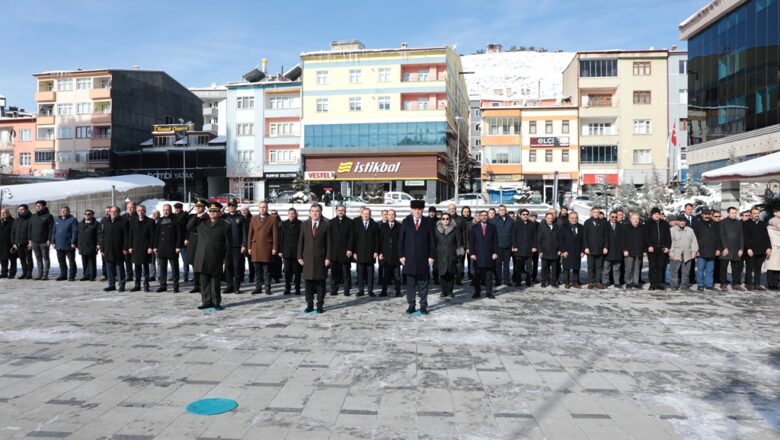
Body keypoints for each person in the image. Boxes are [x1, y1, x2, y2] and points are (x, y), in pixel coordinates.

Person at [188, 202, 232, 310]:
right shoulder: (202, 222)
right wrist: (198, 216)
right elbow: (189, 227)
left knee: (215, 282)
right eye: (211, 211)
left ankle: (216, 302)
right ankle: (206, 302)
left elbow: (228, 243)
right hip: (202, 257)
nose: (212, 213)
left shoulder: (225, 225)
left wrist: (226, 257)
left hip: (216, 257)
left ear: (219, 212)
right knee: (204, 282)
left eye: (215, 211)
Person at [400, 200, 435, 314]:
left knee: (423, 285)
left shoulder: (428, 222)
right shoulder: (406, 222)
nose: (417, 211)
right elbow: (401, 241)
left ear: (422, 210)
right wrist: (401, 255)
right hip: (409, 259)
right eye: (415, 209)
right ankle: (411, 305)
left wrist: (431, 256)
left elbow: (432, 241)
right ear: (412, 210)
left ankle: (423, 306)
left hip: (423, 259)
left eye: (419, 209)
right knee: (410, 285)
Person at [298, 203, 331, 313]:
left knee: (321, 284)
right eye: (313, 211)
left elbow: (329, 243)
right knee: (308, 285)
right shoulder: (305, 224)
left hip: (321, 259)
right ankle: (310, 305)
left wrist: (328, 258)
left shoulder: (326, 225)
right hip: (307, 259)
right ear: (309, 213)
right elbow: (301, 241)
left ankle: (320, 305)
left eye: (317, 211)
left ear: (320, 212)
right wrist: (299, 256)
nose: (315, 213)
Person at [247, 201, 278, 295]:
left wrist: (274, 248)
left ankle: (267, 288)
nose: (262, 209)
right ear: (258, 208)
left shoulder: (272, 219)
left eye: (264, 207)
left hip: (267, 247)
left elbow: (275, 235)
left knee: (267, 270)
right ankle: (258, 287)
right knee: (257, 270)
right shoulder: (253, 218)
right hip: (256, 246)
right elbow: (250, 233)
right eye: (260, 207)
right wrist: (249, 247)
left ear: (267, 208)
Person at [154, 204, 184, 292]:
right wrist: (155, 246)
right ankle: (163, 285)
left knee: (174, 268)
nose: (165, 212)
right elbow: (157, 234)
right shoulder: (160, 220)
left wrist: (178, 246)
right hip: (162, 247)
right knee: (162, 269)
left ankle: (176, 286)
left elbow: (180, 235)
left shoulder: (176, 220)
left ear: (170, 210)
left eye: (167, 210)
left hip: (172, 248)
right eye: (164, 210)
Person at [470, 210, 499, 297]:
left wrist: (495, 252)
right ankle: (477, 292)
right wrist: (472, 253)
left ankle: (489, 292)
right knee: (477, 275)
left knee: (489, 275)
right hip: (478, 254)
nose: (484, 217)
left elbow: (495, 241)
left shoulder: (492, 227)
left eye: (485, 215)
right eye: (482, 215)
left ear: (487, 216)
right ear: (479, 216)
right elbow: (471, 241)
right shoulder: (474, 227)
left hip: (489, 254)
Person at [98, 206, 127, 292]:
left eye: (115, 211)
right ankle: (111, 284)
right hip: (107, 249)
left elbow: (126, 236)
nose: (113, 213)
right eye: (111, 211)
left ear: (119, 212)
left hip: (119, 249)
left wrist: (125, 247)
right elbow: (102, 236)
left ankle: (121, 285)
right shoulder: (105, 221)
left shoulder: (123, 222)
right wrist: (102, 248)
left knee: (119, 268)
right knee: (109, 267)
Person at [128, 205, 155, 292]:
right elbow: (130, 235)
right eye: (139, 210)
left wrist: (150, 247)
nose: (141, 212)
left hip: (145, 248)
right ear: (136, 211)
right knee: (137, 267)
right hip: (136, 247)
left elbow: (152, 236)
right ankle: (137, 285)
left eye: (142, 210)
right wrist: (130, 246)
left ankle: (146, 284)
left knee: (146, 267)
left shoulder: (150, 221)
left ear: (145, 211)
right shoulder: (133, 221)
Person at [328, 205, 354, 296]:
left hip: (345, 251)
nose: (341, 211)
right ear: (336, 211)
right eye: (339, 210)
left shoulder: (350, 222)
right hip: (334, 251)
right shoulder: (331, 222)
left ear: (345, 211)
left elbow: (352, 237)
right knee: (334, 272)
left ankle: (347, 289)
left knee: (346, 272)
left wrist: (350, 249)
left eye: (342, 210)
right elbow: (329, 237)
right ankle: (334, 289)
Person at [743, 207, 771, 291]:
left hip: (761, 249)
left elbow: (766, 236)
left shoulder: (762, 223)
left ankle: (757, 284)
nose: (757, 215)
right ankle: (748, 284)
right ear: (751, 214)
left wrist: (769, 247)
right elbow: (745, 237)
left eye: (758, 213)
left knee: (758, 268)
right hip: (751, 250)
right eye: (755, 213)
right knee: (749, 267)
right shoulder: (746, 223)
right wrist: (748, 248)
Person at [353, 207, 380, 296]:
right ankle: (361, 290)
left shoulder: (375, 225)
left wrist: (376, 251)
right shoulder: (357, 225)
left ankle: (370, 290)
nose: (366, 215)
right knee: (360, 273)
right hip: (360, 253)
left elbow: (377, 239)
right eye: (364, 214)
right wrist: (354, 251)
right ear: (361, 214)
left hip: (370, 253)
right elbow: (354, 239)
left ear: (370, 215)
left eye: (368, 214)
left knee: (370, 274)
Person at [222, 200, 247, 294]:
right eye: (230, 205)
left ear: (236, 206)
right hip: (227, 246)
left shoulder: (241, 218)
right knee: (228, 267)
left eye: (233, 205)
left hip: (237, 246)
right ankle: (229, 286)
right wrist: (223, 208)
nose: (231, 207)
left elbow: (244, 232)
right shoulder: (224, 217)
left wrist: (244, 244)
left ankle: (237, 287)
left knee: (237, 267)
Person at [668, 215, 699, 290]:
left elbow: (694, 241)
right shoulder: (672, 230)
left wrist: (694, 251)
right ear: (677, 222)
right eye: (681, 221)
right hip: (676, 253)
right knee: (674, 272)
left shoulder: (690, 230)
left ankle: (684, 286)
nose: (682, 223)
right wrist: (671, 253)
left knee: (686, 272)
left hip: (687, 254)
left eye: (684, 221)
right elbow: (669, 242)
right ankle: (674, 286)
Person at [435, 213, 462, 298]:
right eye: (443, 218)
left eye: (447, 219)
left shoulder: (455, 229)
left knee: (451, 274)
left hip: (452, 255)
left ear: (450, 220)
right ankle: (443, 291)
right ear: (441, 220)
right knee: (442, 274)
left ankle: (450, 291)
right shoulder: (436, 230)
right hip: (440, 255)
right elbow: (434, 243)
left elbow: (459, 242)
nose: (445, 220)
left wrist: (459, 253)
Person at [644, 207, 671, 290]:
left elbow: (668, 236)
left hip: (662, 249)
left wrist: (667, 247)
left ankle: (659, 283)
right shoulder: (648, 223)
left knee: (660, 266)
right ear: (652, 215)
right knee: (652, 266)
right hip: (652, 248)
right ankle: (653, 284)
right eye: (655, 214)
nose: (657, 215)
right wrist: (649, 245)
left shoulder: (664, 223)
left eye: (658, 214)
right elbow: (645, 236)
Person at [693, 208, 720, 291]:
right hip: (701, 251)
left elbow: (718, 238)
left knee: (710, 269)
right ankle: (700, 284)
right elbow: (694, 239)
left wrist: (718, 249)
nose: (707, 216)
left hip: (712, 250)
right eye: (705, 214)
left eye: (708, 214)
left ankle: (709, 284)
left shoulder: (715, 224)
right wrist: (696, 250)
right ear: (702, 215)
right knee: (700, 269)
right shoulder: (697, 224)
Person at [719, 207, 745, 291]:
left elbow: (741, 236)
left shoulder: (739, 223)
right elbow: (721, 236)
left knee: (736, 268)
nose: (734, 214)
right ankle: (723, 283)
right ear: (728, 213)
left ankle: (735, 284)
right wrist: (724, 247)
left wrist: (741, 248)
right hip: (725, 248)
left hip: (736, 249)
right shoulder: (722, 222)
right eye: (732, 213)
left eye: (735, 213)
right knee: (723, 268)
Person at [50, 205, 78, 281]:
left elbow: (75, 232)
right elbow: (54, 231)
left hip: (69, 245)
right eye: (62, 210)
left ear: (68, 211)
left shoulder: (72, 220)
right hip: (59, 244)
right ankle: (63, 275)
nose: (63, 212)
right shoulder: (57, 220)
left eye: (65, 210)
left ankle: (72, 275)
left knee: (71, 261)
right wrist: (53, 241)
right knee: (61, 261)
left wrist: (73, 242)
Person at [582, 207, 608, 289]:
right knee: (591, 266)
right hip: (590, 248)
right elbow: (585, 236)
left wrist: (605, 247)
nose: (596, 214)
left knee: (599, 266)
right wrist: (586, 247)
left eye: (598, 212)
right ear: (591, 213)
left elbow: (606, 236)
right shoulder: (587, 222)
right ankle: (591, 282)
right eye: (595, 212)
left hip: (600, 248)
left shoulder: (603, 222)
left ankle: (598, 282)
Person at [279, 207, 302, 295]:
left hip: (296, 252)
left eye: (293, 213)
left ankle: (297, 288)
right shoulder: (284, 224)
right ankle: (287, 288)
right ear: (288, 214)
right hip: (286, 252)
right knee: (287, 272)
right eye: (290, 213)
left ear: (295, 214)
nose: (291, 215)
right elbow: (281, 238)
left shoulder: (300, 224)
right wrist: (280, 250)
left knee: (297, 272)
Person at [511, 209, 537, 288]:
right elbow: (513, 236)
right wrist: (514, 246)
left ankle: (528, 282)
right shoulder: (516, 224)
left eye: (526, 214)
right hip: (519, 249)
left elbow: (535, 236)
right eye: (523, 214)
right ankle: (518, 282)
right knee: (518, 267)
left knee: (529, 267)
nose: (525, 216)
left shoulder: (532, 224)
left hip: (529, 249)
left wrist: (534, 246)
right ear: (520, 215)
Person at [378, 209, 402, 297]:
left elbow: (401, 241)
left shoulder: (399, 226)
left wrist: (401, 254)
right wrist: (380, 252)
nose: (391, 216)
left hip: (396, 255)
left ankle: (398, 291)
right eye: (389, 214)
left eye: (393, 214)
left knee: (397, 275)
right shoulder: (382, 226)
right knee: (385, 275)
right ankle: (384, 291)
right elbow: (380, 240)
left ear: (395, 216)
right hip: (386, 254)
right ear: (387, 216)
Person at [490, 204, 514, 287]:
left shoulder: (511, 220)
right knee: (498, 265)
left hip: (508, 246)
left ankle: (507, 280)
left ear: (506, 210)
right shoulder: (493, 221)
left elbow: (513, 233)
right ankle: (498, 280)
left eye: (503, 210)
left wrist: (513, 245)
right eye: (500, 210)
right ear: (498, 211)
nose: (502, 211)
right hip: (498, 246)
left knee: (507, 265)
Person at [30, 200, 54, 280]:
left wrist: (49, 239)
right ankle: (40, 274)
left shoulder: (49, 216)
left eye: (40, 206)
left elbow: (51, 229)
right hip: (34, 241)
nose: (38, 207)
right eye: (37, 206)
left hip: (44, 242)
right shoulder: (33, 216)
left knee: (45, 258)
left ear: (44, 206)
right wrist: (30, 239)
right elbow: (30, 228)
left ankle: (45, 274)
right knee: (38, 258)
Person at [558, 212, 583, 288]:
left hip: (577, 250)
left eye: (576, 218)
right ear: (569, 218)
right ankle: (567, 282)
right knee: (566, 268)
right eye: (572, 218)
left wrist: (582, 251)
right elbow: (560, 240)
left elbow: (583, 240)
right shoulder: (564, 227)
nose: (574, 219)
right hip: (567, 250)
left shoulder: (581, 227)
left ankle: (575, 282)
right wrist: (563, 251)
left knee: (576, 267)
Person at [622, 212, 646, 289]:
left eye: (637, 219)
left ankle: (636, 282)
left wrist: (645, 250)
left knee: (637, 268)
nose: (636, 220)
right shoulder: (626, 227)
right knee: (629, 268)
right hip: (629, 251)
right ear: (630, 219)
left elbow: (645, 240)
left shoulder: (642, 227)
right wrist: (624, 250)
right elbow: (623, 240)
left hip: (639, 250)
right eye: (634, 219)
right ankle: (628, 282)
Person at [536, 212, 560, 288]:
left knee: (554, 269)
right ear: (545, 218)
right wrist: (540, 251)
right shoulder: (542, 227)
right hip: (545, 251)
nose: (550, 219)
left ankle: (553, 282)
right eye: (549, 218)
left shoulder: (556, 227)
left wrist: (559, 249)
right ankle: (543, 282)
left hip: (554, 251)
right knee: (544, 268)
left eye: (551, 218)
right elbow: (539, 240)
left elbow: (560, 239)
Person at [602, 211, 624, 288]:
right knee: (606, 268)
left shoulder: (620, 226)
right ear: (609, 217)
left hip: (617, 250)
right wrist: (604, 247)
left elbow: (622, 238)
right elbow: (603, 237)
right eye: (612, 217)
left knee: (617, 268)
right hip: (608, 249)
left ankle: (616, 282)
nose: (614, 218)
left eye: (616, 217)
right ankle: (605, 282)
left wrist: (622, 249)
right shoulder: (605, 225)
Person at [11, 205, 32, 279]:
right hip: (18, 243)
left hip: (27, 242)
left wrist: (30, 242)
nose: (20, 211)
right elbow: (13, 232)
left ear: (26, 210)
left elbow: (31, 231)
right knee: (22, 258)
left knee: (29, 259)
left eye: (22, 209)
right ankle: (24, 272)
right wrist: (13, 243)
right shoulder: (16, 220)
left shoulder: (30, 219)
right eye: (19, 209)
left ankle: (29, 273)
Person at [77, 210, 99, 281]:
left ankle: (92, 275)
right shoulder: (80, 224)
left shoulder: (96, 224)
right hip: (82, 245)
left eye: (89, 214)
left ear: (92, 215)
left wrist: (98, 244)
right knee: (84, 261)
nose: (87, 215)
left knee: (91, 262)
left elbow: (99, 235)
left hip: (91, 245)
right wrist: (77, 244)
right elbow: (78, 234)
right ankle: (86, 275)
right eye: (85, 214)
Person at [173, 202, 190, 283]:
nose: (177, 209)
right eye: (176, 208)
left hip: (183, 241)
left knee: (185, 260)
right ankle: (174, 275)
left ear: (181, 208)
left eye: (178, 208)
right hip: (174, 240)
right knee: (173, 260)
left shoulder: (185, 216)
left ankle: (185, 275)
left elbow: (188, 229)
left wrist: (187, 238)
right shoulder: (173, 216)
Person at [121, 201, 137, 282]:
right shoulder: (123, 217)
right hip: (126, 241)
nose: (130, 209)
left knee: (137, 260)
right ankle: (129, 275)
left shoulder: (138, 216)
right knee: (127, 260)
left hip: (136, 241)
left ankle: (138, 274)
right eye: (128, 208)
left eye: (131, 207)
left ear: (135, 208)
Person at [765, 212, 780, 290]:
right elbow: (766, 239)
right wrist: (768, 248)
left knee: (778, 267)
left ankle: (775, 283)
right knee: (771, 267)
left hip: (779, 249)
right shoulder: (769, 229)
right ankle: (769, 283)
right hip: (772, 249)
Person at [240, 206, 254, 284]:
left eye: (246, 210)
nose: (244, 212)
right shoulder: (239, 218)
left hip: (250, 242)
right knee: (241, 261)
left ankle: (252, 277)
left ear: (248, 211)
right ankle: (241, 276)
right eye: (243, 210)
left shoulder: (252, 218)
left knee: (251, 261)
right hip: (241, 242)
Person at [459, 206, 474, 281]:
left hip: (470, 244)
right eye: (465, 212)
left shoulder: (472, 220)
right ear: (462, 212)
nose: (466, 213)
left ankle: (471, 275)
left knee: (470, 261)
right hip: (460, 245)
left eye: (467, 212)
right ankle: (460, 276)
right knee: (460, 261)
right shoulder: (459, 220)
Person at [0, 208, 15, 279]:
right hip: (1, 243)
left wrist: (14, 243)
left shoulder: (13, 221)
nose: (3, 214)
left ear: (8, 213)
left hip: (10, 243)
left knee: (12, 259)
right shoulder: (0, 221)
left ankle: (12, 273)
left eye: (4, 213)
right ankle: (4, 272)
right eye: (1, 213)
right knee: (3, 259)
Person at [529, 213, 540, 283]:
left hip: (536, 247)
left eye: (535, 217)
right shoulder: (527, 224)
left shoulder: (538, 225)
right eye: (532, 216)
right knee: (529, 264)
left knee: (535, 263)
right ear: (530, 217)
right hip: (528, 247)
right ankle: (529, 277)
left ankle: (534, 277)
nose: (534, 218)